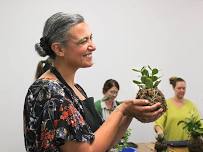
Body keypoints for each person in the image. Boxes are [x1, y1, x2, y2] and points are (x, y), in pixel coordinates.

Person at [23, 12, 164, 152]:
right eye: (83, 41)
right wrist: (122, 109)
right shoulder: (49, 92)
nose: (93, 46)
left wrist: (129, 113)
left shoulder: (75, 89)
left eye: (91, 38)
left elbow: (105, 142)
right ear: (59, 49)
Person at [154, 77, 202, 145]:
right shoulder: (165, 104)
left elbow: (199, 123)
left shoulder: (191, 105)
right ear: (174, 88)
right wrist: (160, 133)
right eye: (179, 88)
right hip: (169, 145)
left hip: (188, 145)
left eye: (184, 88)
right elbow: (158, 124)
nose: (182, 90)